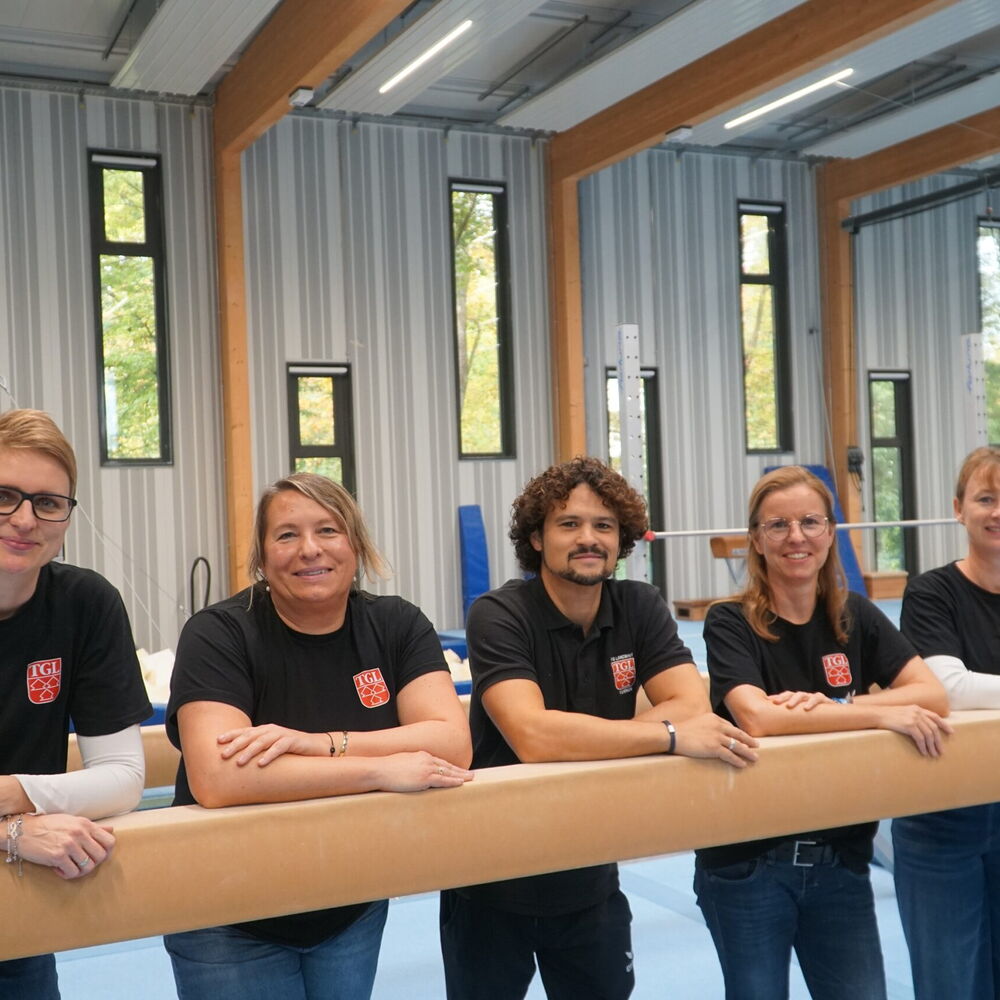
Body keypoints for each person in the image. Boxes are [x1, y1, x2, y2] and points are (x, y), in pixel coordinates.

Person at [439, 456, 758, 1000]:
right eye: (569, 524)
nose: (588, 538)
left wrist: (625, 730)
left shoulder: (637, 605)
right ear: (537, 538)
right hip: (491, 884)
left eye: (603, 526)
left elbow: (691, 701)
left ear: (622, 539)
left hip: (590, 877)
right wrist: (667, 736)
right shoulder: (499, 613)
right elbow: (533, 738)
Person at [164, 472, 473, 1000]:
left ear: (355, 543)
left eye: (328, 530)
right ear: (261, 556)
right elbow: (219, 779)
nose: (309, 550)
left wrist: (323, 743)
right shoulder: (220, 633)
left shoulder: (395, 625)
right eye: (286, 535)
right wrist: (380, 769)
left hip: (349, 901)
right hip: (227, 909)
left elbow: (450, 742)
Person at [696, 464, 951, 1000]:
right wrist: (878, 712)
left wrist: (840, 703)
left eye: (810, 522)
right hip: (747, 864)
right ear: (757, 541)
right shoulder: (729, 621)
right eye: (778, 525)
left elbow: (930, 694)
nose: (796, 537)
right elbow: (758, 718)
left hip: (840, 860)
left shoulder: (854, 615)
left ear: (830, 533)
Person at [0, 408, 151, 999]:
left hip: (18, 909)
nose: (23, 519)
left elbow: (123, 780)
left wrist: (15, 796)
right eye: (4, 496)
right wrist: (10, 832)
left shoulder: (86, 604)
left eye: (48, 503)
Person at [892, 446, 1000, 999]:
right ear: (959, 509)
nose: (997, 512)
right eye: (986, 499)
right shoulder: (932, 591)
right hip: (943, 814)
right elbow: (947, 692)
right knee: (950, 985)